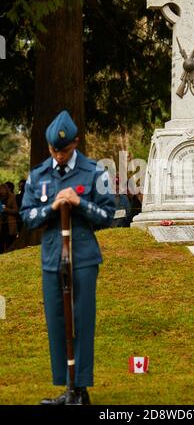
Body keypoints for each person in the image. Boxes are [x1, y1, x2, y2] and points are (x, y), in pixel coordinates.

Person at [20, 110, 116, 405]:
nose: (58, 156)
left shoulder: (94, 171)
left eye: (63, 150)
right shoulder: (38, 175)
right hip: (52, 257)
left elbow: (107, 215)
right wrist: (51, 208)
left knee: (81, 321)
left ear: (75, 143)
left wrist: (80, 202)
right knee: (57, 320)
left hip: (84, 257)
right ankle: (66, 388)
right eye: (53, 150)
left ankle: (81, 389)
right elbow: (27, 216)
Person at [0, 183, 19, 253]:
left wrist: (4, 209)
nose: (1, 191)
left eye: (2, 189)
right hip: (1, 224)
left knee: (10, 242)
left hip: (9, 225)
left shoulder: (12, 198)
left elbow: (16, 211)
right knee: (1, 243)